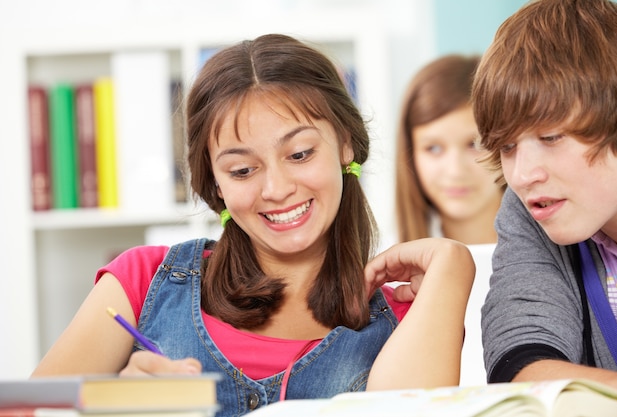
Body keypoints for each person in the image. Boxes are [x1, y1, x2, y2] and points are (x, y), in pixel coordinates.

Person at [31, 34, 475, 415]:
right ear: (217, 184)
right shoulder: (142, 284)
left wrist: (453, 265)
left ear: (344, 145)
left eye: (300, 154)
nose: (276, 189)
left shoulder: (406, 315)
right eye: (242, 170)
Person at [473, 0, 617, 392]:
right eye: (507, 147)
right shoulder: (532, 212)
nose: (523, 176)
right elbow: (521, 365)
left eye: (551, 137)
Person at [395, 55, 503, 245]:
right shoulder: (382, 263)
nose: (455, 171)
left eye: (475, 144)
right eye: (434, 148)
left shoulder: (561, 251)